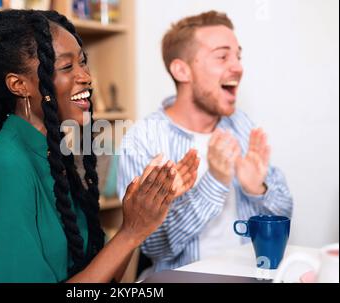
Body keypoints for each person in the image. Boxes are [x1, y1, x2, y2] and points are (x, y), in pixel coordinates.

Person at [0, 10, 199, 283]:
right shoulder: (4, 164)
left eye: (82, 62)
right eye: (67, 67)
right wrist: (131, 232)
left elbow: (104, 277)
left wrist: (143, 220)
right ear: (19, 85)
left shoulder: (53, 155)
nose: (86, 77)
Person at [117, 11, 293, 274]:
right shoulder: (144, 139)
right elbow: (154, 246)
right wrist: (215, 181)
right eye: (223, 56)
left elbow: (286, 214)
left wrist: (258, 189)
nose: (238, 67)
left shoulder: (241, 125)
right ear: (182, 70)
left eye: (238, 56)